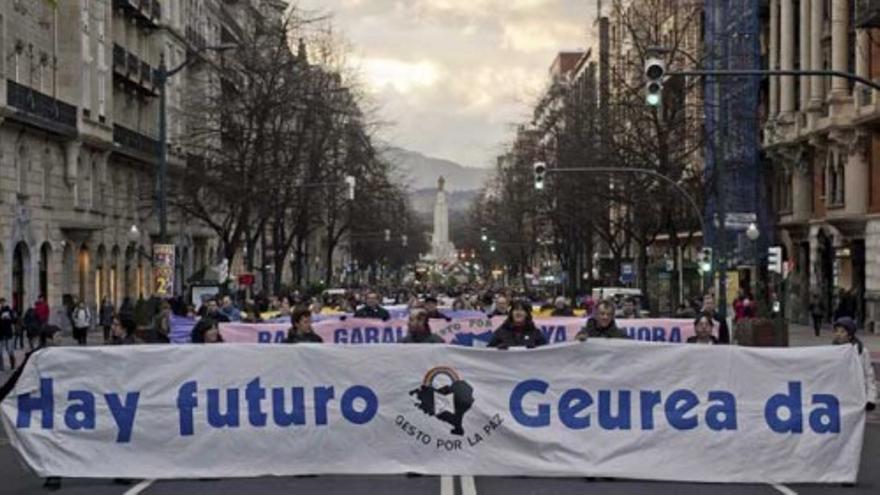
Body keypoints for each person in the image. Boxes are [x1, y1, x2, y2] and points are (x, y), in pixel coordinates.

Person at [831, 317, 877, 412]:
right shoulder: (830, 351)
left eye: (842, 332)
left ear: (850, 335)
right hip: (838, 396)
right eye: (836, 331)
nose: (838, 334)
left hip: (856, 396)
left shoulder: (861, 352)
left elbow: (869, 376)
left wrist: (871, 399)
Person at [0, 298, 17, 370]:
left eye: (3, 302)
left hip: (9, 333)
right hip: (1, 333)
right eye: (1, 303)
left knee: (9, 350)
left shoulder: (10, 311)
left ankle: (12, 364)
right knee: (0, 350)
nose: (2, 304)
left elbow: (14, 320)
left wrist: (9, 318)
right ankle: (1, 366)